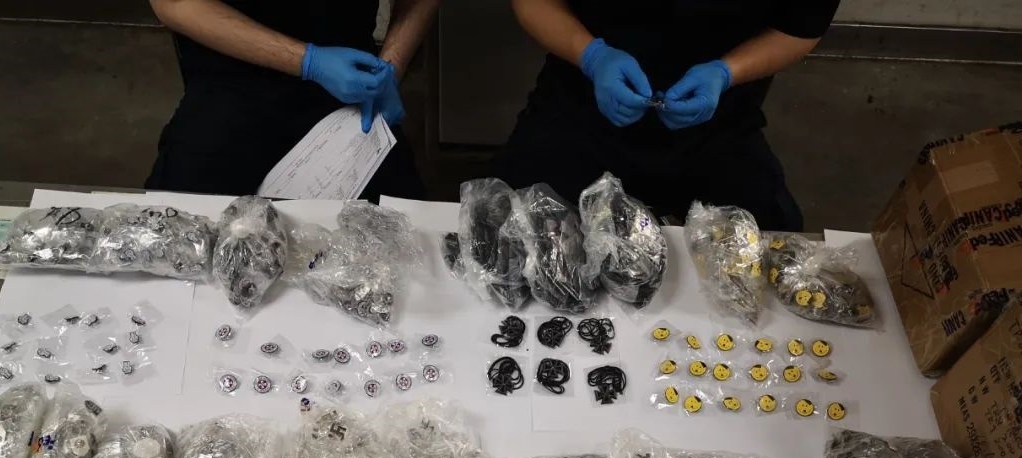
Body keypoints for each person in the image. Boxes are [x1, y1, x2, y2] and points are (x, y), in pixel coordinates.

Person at [494, 0, 841, 230]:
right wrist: (592, 57)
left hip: (720, 123)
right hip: (577, 109)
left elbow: (800, 28)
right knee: (512, 238)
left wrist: (726, 72)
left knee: (769, 252)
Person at [146, 0, 439, 200]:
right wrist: (308, 61)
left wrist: (389, 68)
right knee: (180, 239)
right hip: (230, 81)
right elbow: (173, 4)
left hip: (350, 89)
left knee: (405, 246)